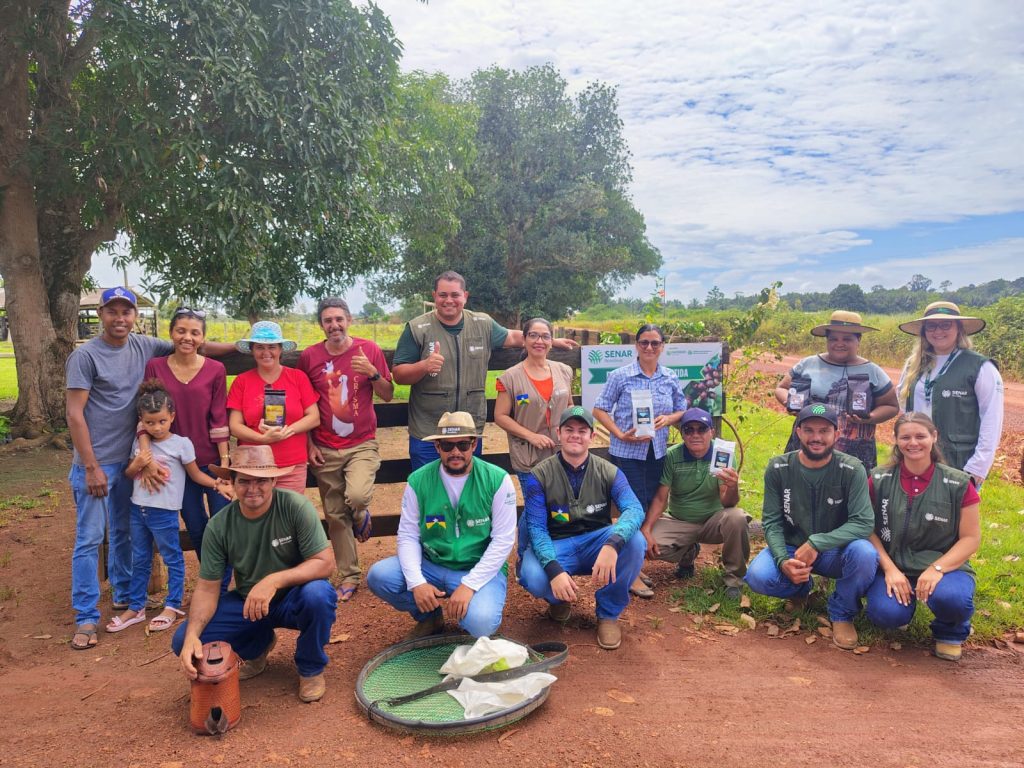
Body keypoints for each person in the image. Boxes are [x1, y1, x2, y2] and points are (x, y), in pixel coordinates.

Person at [172, 445, 337, 703]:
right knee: (183, 640)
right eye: (244, 481)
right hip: (250, 603)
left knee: (319, 594)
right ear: (232, 483)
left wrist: (274, 580)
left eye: (261, 481)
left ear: (273, 480)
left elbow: (325, 563)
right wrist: (193, 633)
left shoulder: (295, 507)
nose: (252, 489)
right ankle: (257, 646)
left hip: (294, 597)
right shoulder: (219, 525)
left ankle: (310, 667)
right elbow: (207, 588)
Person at [65, 287, 173, 651]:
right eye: (113, 311)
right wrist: (91, 466)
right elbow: (75, 414)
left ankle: (124, 595)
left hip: (129, 463)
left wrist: (242, 349)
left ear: (134, 315)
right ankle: (85, 616)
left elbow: (183, 344)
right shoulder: (86, 357)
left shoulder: (143, 346)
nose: (120, 318)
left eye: (126, 312)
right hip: (95, 464)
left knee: (124, 530)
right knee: (90, 538)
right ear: (100, 314)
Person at [391, 270, 576, 470]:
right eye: (443, 295)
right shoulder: (418, 328)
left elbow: (514, 337)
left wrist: (549, 340)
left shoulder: (482, 324)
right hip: (428, 429)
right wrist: (424, 366)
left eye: (455, 295)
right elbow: (399, 375)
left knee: (467, 489)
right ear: (434, 296)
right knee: (427, 490)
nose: (449, 300)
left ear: (465, 296)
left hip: (469, 429)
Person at [366, 411, 516, 639]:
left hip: (477, 566)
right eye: (447, 445)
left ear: (474, 445)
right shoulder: (418, 481)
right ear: (437, 447)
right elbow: (407, 535)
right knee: (380, 576)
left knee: (482, 623)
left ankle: (468, 613)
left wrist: (470, 585)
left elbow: (504, 540)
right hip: (432, 565)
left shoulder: (498, 480)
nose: (456, 452)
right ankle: (430, 616)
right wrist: (417, 583)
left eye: (463, 444)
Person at [744, 404, 878, 650]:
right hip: (794, 548)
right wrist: (784, 560)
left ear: (836, 434)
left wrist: (818, 542)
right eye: (809, 430)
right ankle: (800, 588)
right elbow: (772, 522)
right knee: (757, 577)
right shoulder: (779, 468)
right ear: (798, 432)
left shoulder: (852, 469)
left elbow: (863, 522)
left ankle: (842, 613)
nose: (816, 438)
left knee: (865, 554)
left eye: (824, 431)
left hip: (837, 550)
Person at [104, 381, 230, 634]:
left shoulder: (181, 444)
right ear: (142, 420)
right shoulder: (140, 444)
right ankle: (136, 607)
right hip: (138, 509)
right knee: (140, 558)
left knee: (172, 557)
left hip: (164, 512)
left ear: (172, 416)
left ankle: (172, 605)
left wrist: (218, 483)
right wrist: (138, 462)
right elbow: (129, 474)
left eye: (162, 421)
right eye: (150, 423)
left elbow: (195, 475)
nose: (156, 427)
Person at [517, 406, 647, 650]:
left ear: (592, 436)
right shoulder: (539, 475)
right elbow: (535, 527)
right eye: (569, 430)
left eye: (582, 430)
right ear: (559, 434)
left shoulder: (609, 471)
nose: (575, 435)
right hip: (557, 545)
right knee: (532, 575)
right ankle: (557, 599)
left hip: (597, 543)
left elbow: (634, 509)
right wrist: (554, 569)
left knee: (636, 541)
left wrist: (613, 543)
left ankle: (608, 613)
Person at [863, 412, 981, 661]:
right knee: (885, 614)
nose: (913, 443)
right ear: (896, 440)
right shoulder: (878, 479)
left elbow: (971, 539)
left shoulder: (958, 483)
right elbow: (867, 529)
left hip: (945, 567)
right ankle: (902, 610)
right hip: (895, 565)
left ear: (934, 437)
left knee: (952, 599)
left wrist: (937, 568)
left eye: (920, 436)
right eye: (905, 437)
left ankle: (951, 630)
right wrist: (890, 570)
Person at [298, 297, 394, 603]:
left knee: (356, 496)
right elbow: (305, 404)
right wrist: (309, 443)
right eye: (328, 320)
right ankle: (349, 575)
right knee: (335, 515)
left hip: (362, 443)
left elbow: (389, 395)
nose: (334, 325)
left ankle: (362, 512)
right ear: (321, 325)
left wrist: (373, 373)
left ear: (349, 320)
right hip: (325, 446)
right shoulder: (310, 357)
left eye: (339, 319)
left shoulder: (369, 350)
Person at [592, 323, 686, 599]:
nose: (649, 347)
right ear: (636, 345)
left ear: (662, 347)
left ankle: (633, 564)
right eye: (644, 342)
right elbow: (599, 409)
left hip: (656, 452)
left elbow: (682, 408)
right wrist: (620, 433)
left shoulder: (668, 377)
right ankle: (629, 574)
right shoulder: (621, 376)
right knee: (629, 509)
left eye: (655, 343)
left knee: (645, 507)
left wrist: (669, 419)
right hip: (626, 453)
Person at [143, 307, 230, 559]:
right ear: (171, 333)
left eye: (194, 333)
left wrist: (224, 464)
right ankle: (210, 578)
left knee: (222, 524)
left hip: (211, 460)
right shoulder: (155, 367)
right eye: (181, 331)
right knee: (195, 525)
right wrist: (146, 455)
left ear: (203, 338)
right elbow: (146, 412)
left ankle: (223, 583)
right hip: (175, 464)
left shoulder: (215, 369)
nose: (187, 338)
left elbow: (219, 418)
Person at [639, 408, 749, 599]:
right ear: (682, 434)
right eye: (689, 430)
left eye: (701, 429)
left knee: (737, 517)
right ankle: (687, 553)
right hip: (680, 521)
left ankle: (734, 580)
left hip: (714, 521)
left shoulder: (723, 453)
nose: (695, 434)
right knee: (643, 544)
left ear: (711, 432)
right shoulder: (672, 456)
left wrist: (732, 486)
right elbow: (660, 498)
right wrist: (647, 528)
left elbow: (728, 502)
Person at [774, 310, 899, 471]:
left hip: (856, 451)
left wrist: (870, 418)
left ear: (858, 340)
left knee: (850, 491)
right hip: (808, 445)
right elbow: (781, 388)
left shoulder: (872, 371)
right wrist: (789, 402)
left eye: (847, 339)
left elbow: (891, 406)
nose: (839, 343)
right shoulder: (808, 364)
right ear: (827, 340)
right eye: (833, 339)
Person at [897, 301, 1004, 486]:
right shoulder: (913, 365)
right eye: (931, 326)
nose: (938, 331)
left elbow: (992, 417)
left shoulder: (980, 367)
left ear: (959, 328)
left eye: (946, 324)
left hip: (959, 461)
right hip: (916, 459)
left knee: (957, 514)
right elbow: (903, 407)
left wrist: (979, 466)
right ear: (924, 331)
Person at [227, 321, 319, 493]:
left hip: (292, 464)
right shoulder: (242, 381)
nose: (266, 352)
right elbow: (235, 425)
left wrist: (286, 431)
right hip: (253, 464)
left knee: (289, 514)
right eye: (260, 347)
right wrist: (262, 439)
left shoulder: (298, 378)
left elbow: (314, 416)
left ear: (280, 349)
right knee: (257, 515)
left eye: (272, 347)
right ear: (252, 350)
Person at [494, 317, 575, 487]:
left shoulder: (564, 371)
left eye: (545, 336)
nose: (539, 341)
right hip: (528, 456)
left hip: (562, 453)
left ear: (551, 342)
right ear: (524, 340)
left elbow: (569, 405)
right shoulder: (509, 378)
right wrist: (531, 436)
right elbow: (500, 416)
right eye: (533, 335)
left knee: (558, 507)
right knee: (535, 507)